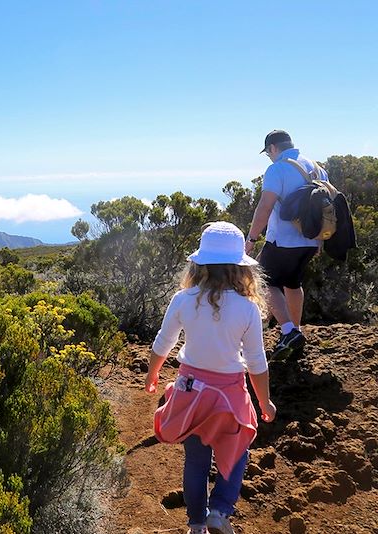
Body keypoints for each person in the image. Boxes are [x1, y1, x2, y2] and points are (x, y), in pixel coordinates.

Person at [145, 221, 276, 534]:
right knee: (234, 455)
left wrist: (152, 374)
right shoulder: (246, 309)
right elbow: (256, 362)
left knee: (196, 462)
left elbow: (163, 343)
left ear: (199, 263)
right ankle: (219, 511)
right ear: (240, 268)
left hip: (190, 392)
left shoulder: (183, 299)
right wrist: (264, 402)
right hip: (230, 395)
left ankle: (196, 525)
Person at [245, 130, 328, 358]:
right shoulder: (316, 167)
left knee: (260, 280)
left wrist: (251, 239)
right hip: (311, 241)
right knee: (293, 282)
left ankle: (288, 331)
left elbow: (265, 207)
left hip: (283, 240)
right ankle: (295, 331)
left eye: (268, 153)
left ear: (273, 148)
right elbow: (324, 204)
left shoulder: (277, 169)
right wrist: (320, 238)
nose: (269, 157)